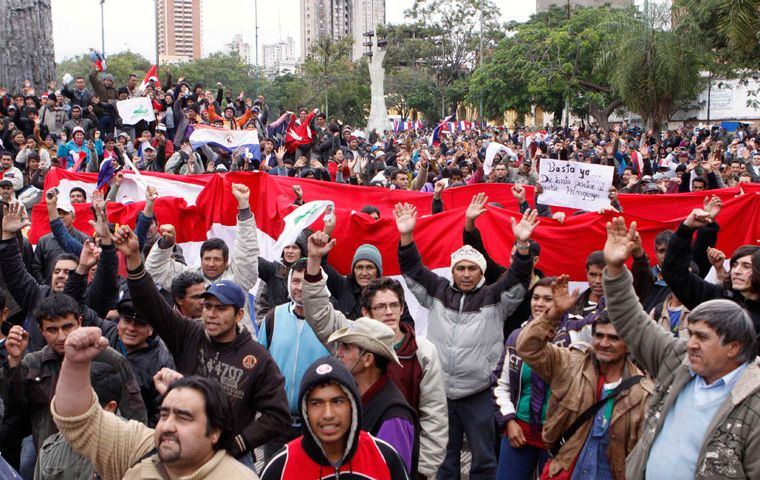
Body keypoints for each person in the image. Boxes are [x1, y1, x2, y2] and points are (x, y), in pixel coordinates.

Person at [116, 224, 291, 466]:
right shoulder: (189, 334)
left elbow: (278, 415)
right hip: (183, 449)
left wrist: (240, 442)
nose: (211, 314)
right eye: (207, 306)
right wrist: (134, 257)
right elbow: (151, 304)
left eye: (220, 309)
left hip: (230, 460)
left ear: (239, 315)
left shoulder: (257, 357)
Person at [602, 217, 760, 479]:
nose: (691, 343)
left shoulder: (754, 403)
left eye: (703, 337)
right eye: (692, 332)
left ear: (734, 346)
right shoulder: (677, 360)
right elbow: (634, 323)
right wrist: (615, 270)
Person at [395, 200, 537, 480]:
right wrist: (406, 236)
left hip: (480, 393)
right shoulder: (437, 290)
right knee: (443, 461)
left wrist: (522, 247)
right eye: (461, 268)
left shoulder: (495, 297)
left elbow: (519, 278)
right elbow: (412, 270)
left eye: (473, 269)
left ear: (482, 273)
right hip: (441, 392)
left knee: (484, 461)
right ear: (453, 270)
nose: (466, 273)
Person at [303, 230, 448, 479]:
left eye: (394, 305)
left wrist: (421, 471)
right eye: (380, 307)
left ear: (402, 308)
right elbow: (318, 314)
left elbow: (434, 417)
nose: (389, 312)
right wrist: (314, 261)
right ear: (366, 312)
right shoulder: (351, 338)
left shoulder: (423, 351)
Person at [50, 327, 258, 479]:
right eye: (165, 414)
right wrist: (75, 364)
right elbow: (79, 422)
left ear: (215, 432)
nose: (167, 426)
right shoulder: (142, 447)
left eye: (184, 417)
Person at [515, 276, 653, 480]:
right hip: (563, 473)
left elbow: (640, 456)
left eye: (614, 338)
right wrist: (554, 314)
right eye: (599, 336)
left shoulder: (642, 393)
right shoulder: (570, 363)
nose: (604, 343)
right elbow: (527, 347)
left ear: (629, 343)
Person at [1, 293, 147, 454]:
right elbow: (14, 410)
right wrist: (13, 363)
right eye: (52, 330)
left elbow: (135, 414)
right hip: (49, 461)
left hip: (100, 459)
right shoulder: (33, 363)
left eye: (67, 327)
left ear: (79, 322)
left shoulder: (111, 360)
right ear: (41, 330)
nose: (62, 337)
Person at [260, 356, 410, 479]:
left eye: (337, 401)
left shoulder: (384, 457)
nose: (328, 414)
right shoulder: (280, 468)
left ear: (352, 405)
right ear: (305, 409)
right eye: (316, 403)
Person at [145, 183, 259, 324]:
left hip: (236, 344)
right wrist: (166, 244)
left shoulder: (239, 278)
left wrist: (244, 207)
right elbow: (154, 269)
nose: (211, 264)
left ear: (226, 262)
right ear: (201, 259)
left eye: (217, 259)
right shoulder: (190, 279)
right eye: (207, 259)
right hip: (196, 342)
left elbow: (247, 250)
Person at [257, 259, 330, 461]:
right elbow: (260, 366)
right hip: (277, 423)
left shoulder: (331, 321)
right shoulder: (273, 318)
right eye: (296, 281)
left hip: (316, 424)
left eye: (306, 281)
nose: (299, 288)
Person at [327, 317, 419, 475]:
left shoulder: (394, 416)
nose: (338, 353)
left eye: (347, 347)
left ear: (367, 359)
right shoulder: (353, 397)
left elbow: (392, 472)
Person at [662, 203, 760, 337]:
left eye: (746, 266)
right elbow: (674, 272)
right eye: (735, 265)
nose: (736, 271)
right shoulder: (717, 299)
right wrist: (687, 228)